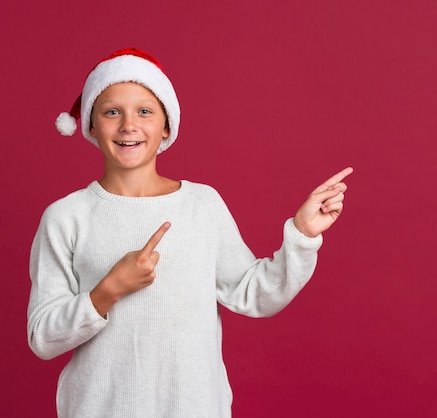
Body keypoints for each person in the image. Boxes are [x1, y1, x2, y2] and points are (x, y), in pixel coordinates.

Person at [27, 47, 352, 418]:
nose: (128, 125)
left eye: (145, 111)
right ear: (90, 124)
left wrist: (302, 234)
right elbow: (42, 337)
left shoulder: (202, 205)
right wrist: (107, 291)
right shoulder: (65, 217)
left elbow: (254, 293)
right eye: (112, 111)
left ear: (167, 125)